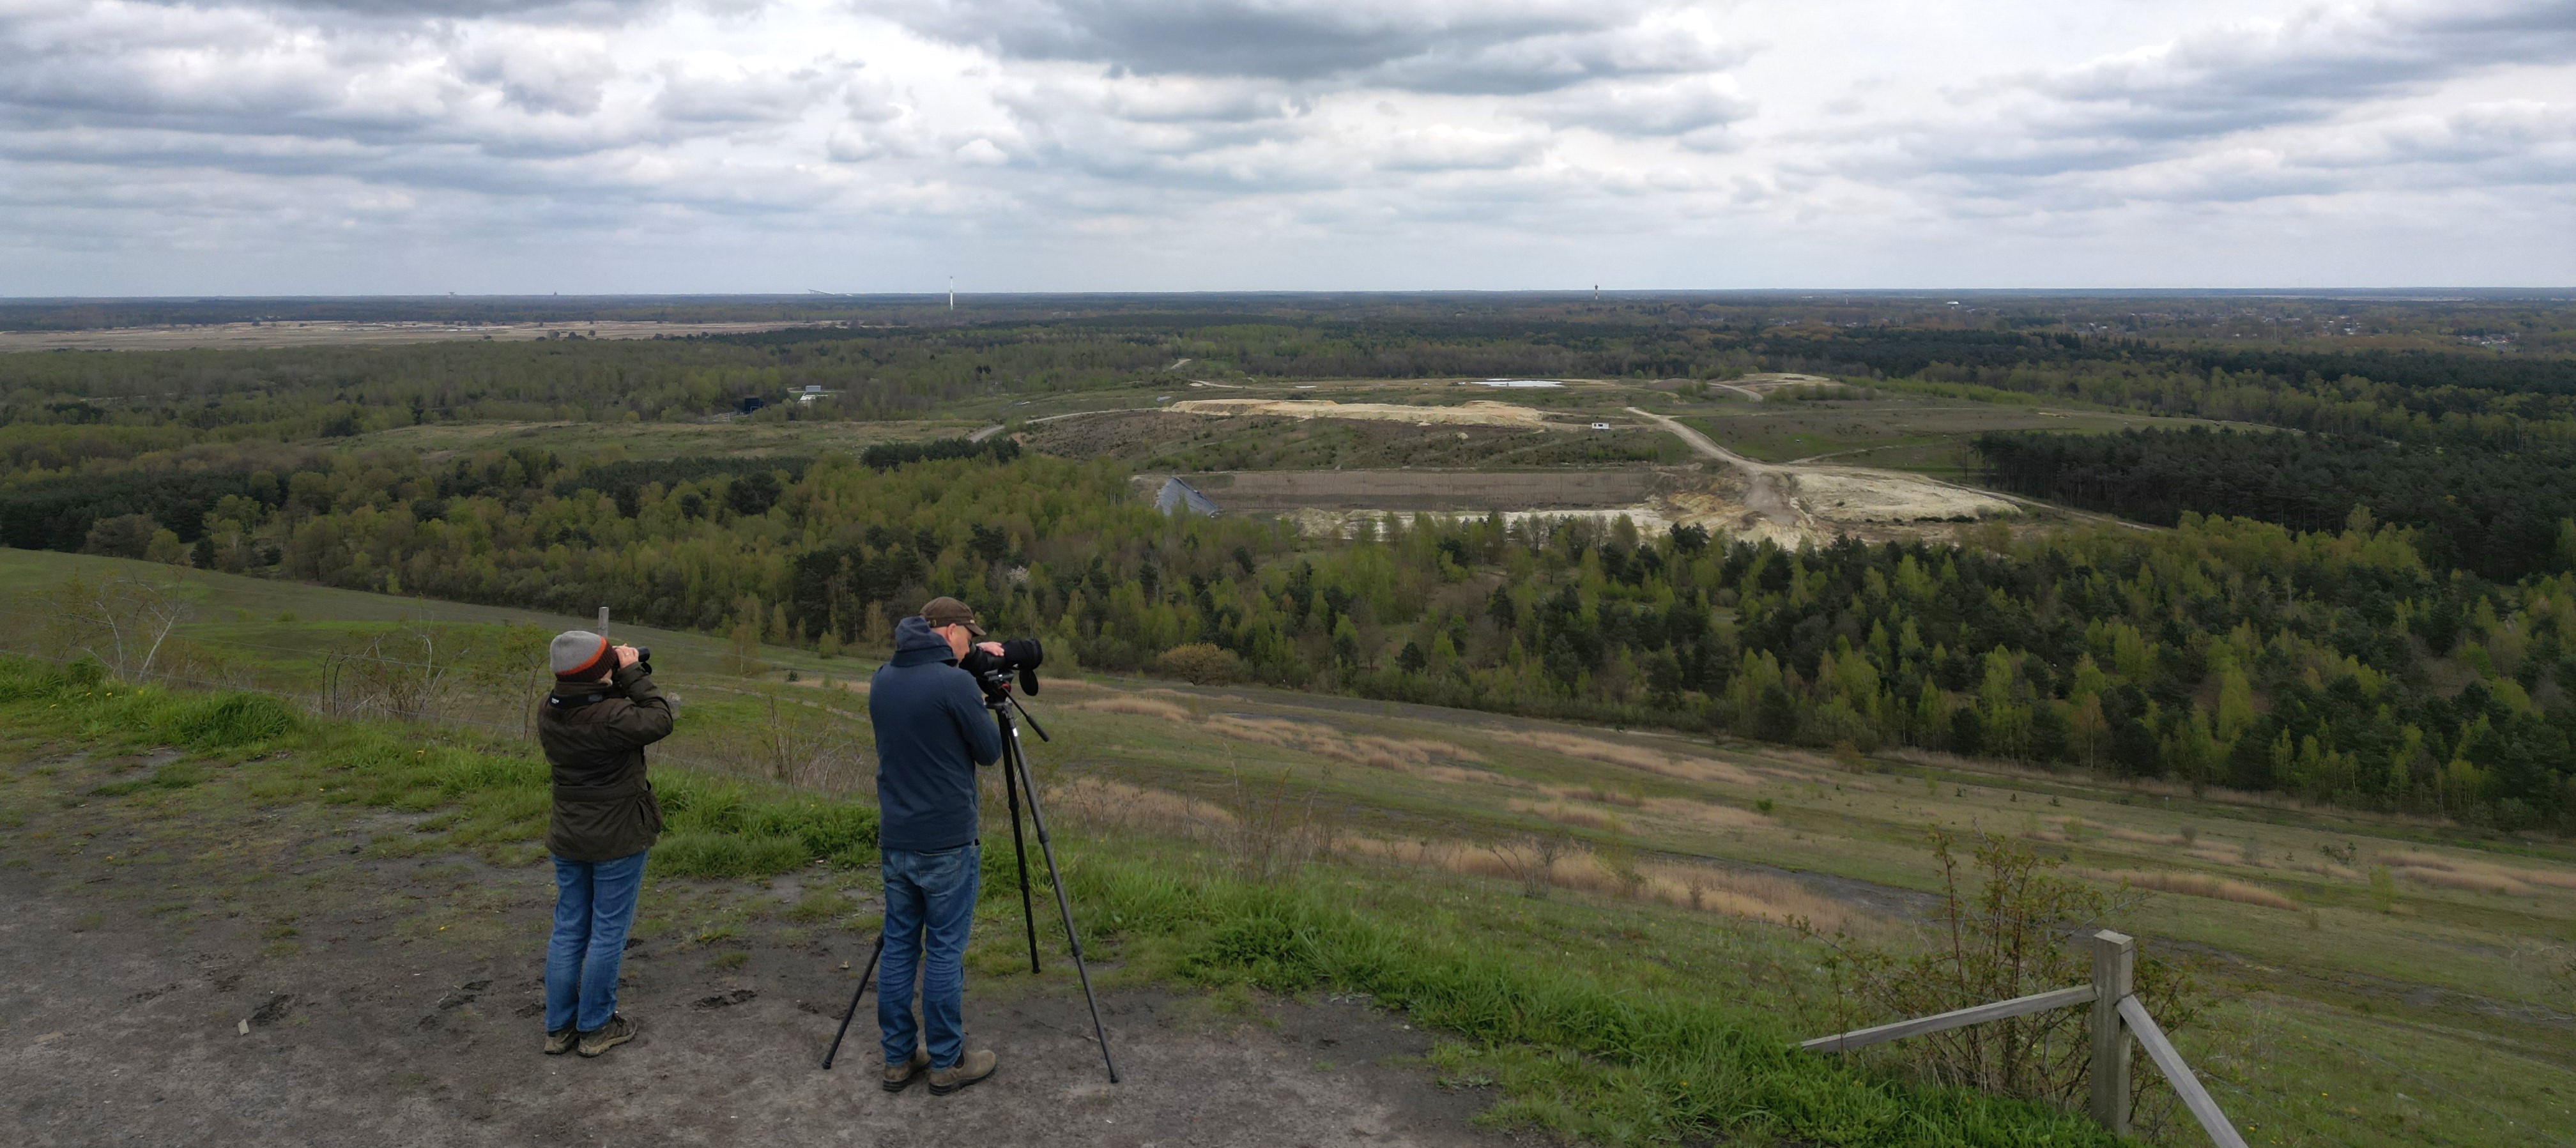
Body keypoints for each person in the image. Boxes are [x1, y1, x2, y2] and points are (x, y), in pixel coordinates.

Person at [868, 597, 1004, 1095]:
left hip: (897, 837)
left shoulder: (882, 678)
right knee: (946, 950)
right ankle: (948, 1060)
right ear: (950, 631)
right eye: (968, 635)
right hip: (947, 839)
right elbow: (989, 752)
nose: (970, 644)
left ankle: (898, 1058)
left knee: (901, 945)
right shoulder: (954, 684)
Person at [535, 629, 671, 1059]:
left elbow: (587, 695)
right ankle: (595, 1026)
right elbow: (660, 716)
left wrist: (611, 674)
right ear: (601, 673)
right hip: (617, 836)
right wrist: (631, 672)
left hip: (569, 834)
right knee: (608, 930)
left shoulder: (548, 710)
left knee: (570, 925)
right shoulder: (612, 718)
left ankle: (559, 1027)